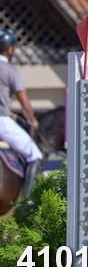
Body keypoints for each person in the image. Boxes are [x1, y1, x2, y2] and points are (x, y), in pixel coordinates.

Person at [0, 29, 42, 197]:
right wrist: (32, 120)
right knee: (35, 155)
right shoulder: (10, 70)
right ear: (9, 48)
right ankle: (28, 202)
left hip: (6, 116)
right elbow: (24, 103)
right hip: (2, 122)